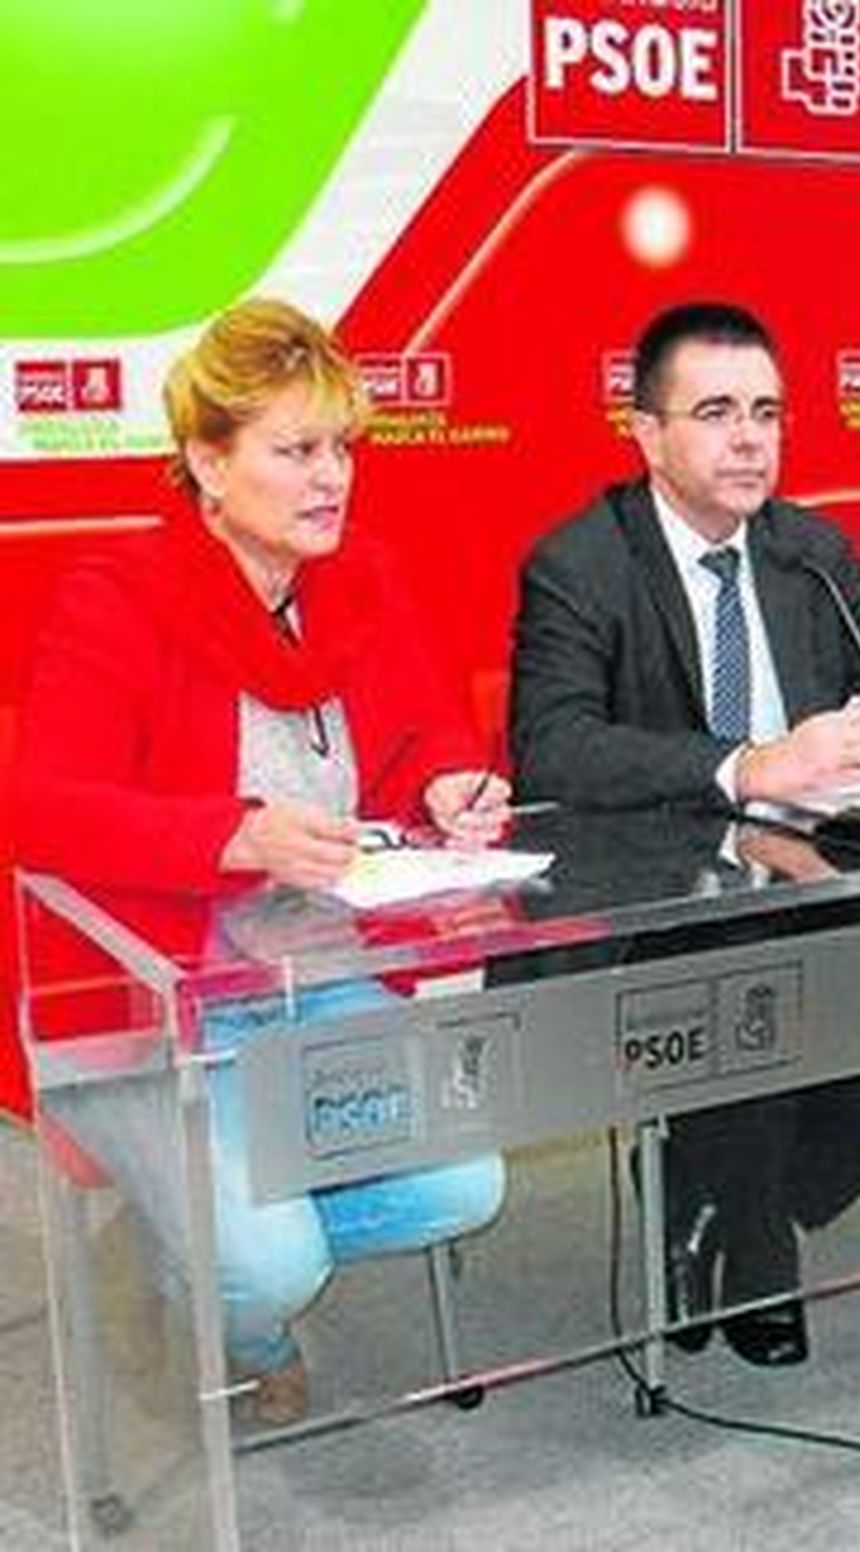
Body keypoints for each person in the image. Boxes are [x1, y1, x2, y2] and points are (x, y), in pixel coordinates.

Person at [16, 298, 509, 1425]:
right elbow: (39, 810)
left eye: (341, 447)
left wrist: (446, 784)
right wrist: (227, 832)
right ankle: (237, 1289)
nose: (333, 476)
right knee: (275, 1266)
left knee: (463, 1184)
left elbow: (424, 732)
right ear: (206, 460)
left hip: (313, 973)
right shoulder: (120, 600)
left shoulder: (360, 580)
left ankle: (199, 1241)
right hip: (151, 1000)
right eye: (296, 449)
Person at [509, 301, 860, 1366]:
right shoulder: (580, 562)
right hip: (665, 889)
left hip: (823, 861)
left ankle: (739, 1199)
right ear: (646, 432)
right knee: (749, 966)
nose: (749, 439)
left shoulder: (809, 547)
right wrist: (738, 764)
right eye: (717, 412)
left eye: (768, 413)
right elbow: (550, 749)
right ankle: (756, 1250)